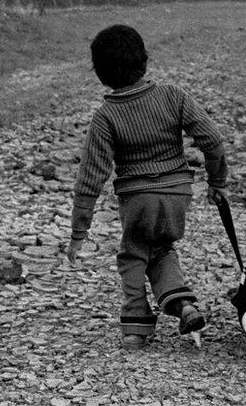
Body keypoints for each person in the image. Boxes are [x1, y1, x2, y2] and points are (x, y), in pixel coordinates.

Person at [66, 25, 229, 349]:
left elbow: (90, 177)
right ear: (145, 61)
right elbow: (213, 139)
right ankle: (183, 305)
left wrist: (78, 232)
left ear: (100, 74)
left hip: (138, 199)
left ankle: (135, 326)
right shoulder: (173, 96)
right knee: (161, 249)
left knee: (132, 254)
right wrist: (217, 181)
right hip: (177, 197)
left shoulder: (106, 116)